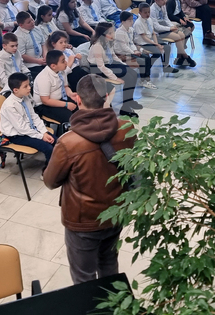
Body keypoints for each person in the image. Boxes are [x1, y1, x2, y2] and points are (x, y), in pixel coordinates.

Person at [43, 74, 135, 284]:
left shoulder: (68, 142)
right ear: (106, 97)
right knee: (109, 264)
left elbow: (50, 182)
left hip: (83, 219)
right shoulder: (126, 128)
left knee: (83, 277)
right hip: (116, 212)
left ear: (77, 99)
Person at [0, 72, 57, 179]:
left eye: (29, 84)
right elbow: (21, 128)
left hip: (30, 129)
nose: (29, 88)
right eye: (25, 86)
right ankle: (47, 173)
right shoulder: (10, 106)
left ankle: (58, 166)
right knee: (48, 147)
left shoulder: (25, 97)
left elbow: (34, 116)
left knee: (56, 141)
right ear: (15, 90)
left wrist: (44, 132)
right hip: (17, 135)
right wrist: (41, 136)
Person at [88, 22, 142, 116]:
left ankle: (129, 100)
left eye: (113, 32)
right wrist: (115, 78)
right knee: (128, 78)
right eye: (110, 33)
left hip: (108, 63)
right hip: (97, 68)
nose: (113, 34)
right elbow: (101, 66)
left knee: (133, 73)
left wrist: (123, 64)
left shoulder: (108, 42)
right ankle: (125, 108)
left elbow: (113, 56)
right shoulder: (97, 46)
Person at [150, 0, 195, 68]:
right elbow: (156, 27)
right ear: (156, 0)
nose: (164, 1)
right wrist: (169, 28)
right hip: (157, 32)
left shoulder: (163, 6)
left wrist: (172, 27)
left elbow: (166, 19)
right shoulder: (152, 10)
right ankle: (185, 56)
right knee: (177, 37)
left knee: (181, 34)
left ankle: (179, 57)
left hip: (165, 29)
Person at [33, 50, 78, 124]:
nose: (66, 63)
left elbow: (65, 87)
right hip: (45, 105)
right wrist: (66, 104)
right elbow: (45, 101)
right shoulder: (44, 78)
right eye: (63, 61)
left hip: (60, 99)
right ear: (53, 66)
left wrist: (70, 94)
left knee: (80, 108)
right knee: (70, 118)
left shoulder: (61, 71)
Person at [114, 11, 155, 90]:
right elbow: (124, 47)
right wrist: (133, 52)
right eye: (129, 20)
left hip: (130, 51)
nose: (132, 22)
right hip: (122, 53)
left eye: (132, 20)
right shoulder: (119, 32)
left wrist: (136, 50)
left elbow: (131, 43)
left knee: (147, 57)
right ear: (123, 21)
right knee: (141, 61)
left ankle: (146, 78)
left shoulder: (130, 30)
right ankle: (143, 80)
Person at [134, 3, 178, 74]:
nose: (147, 14)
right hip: (143, 43)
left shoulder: (149, 20)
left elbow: (153, 33)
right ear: (140, 12)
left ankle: (166, 66)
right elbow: (144, 38)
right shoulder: (138, 23)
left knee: (167, 47)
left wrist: (156, 43)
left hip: (151, 40)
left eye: (149, 12)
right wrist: (155, 44)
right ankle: (146, 67)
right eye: (145, 12)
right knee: (157, 52)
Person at [14, 11, 46, 79]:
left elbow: (43, 44)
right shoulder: (18, 36)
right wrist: (38, 61)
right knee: (44, 77)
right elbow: (22, 55)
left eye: (32, 19)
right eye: (29, 22)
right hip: (30, 64)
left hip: (42, 59)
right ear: (21, 25)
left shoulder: (37, 29)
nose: (32, 22)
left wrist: (45, 56)